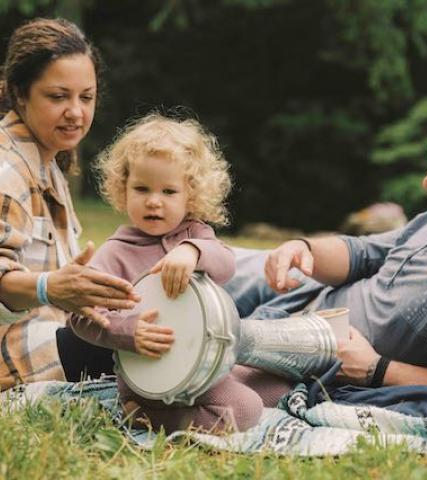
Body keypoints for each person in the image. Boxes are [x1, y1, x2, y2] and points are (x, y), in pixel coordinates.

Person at [224, 95, 427, 407]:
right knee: (185, 259)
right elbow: (364, 254)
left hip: (299, 354)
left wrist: (376, 369)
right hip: (297, 291)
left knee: (198, 349)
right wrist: (303, 250)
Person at [0, 18, 140, 403]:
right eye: (58, 96)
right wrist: (50, 287)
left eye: (86, 97)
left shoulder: (46, 162)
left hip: (43, 350)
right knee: (155, 347)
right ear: (20, 93)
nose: (76, 112)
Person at [69, 113, 291, 433]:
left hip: (202, 361)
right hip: (153, 377)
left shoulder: (195, 234)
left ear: (191, 194)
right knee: (245, 410)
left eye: (169, 192)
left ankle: (211, 401)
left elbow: (226, 263)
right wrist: (126, 331)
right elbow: (80, 315)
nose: (154, 202)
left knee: (278, 386)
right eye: (142, 189)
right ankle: (145, 415)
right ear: (123, 189)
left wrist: (192, 251)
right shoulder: (115, 253)